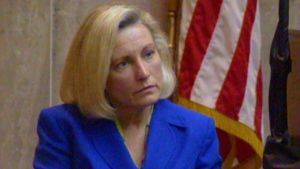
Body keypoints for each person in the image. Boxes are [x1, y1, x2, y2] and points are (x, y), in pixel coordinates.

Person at [33, 4, 222, 169]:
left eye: (148, 54)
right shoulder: (63, 126)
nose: (144, 73)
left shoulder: (197, 129)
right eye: (123, 64)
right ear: (98, 75)